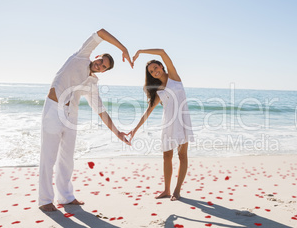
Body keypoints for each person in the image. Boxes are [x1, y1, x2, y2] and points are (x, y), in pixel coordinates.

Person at [39, 29, 133, 212]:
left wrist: (117, 133)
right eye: (100, 61)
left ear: (105, 71)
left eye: (103, 67)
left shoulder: (92, 84)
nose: (99, 65)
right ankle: (44, 200)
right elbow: (101, 32)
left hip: (71, 116)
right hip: (53, 110)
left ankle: (66, 197)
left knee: (66, 159)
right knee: (48, 157)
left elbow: (101, 111)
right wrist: (123, 48)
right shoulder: (81, 56)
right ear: (96, 57)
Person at [128, 49, 194, 201]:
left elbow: (162, 52)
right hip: (168, 124)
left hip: (182, 121)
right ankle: (166, 190)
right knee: (167, 156)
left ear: (162, 66)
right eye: (151, 72)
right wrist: (135, 129)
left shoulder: (174, 78)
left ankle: (177, 191)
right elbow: (148, 111)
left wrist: (140, 52)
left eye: (155, 68)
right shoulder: (158, 90)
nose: (154, 72)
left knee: (182, 155)